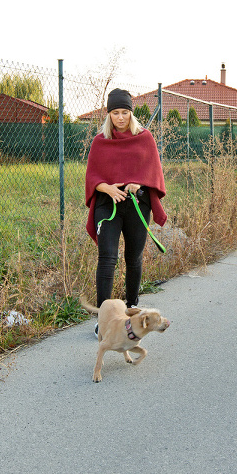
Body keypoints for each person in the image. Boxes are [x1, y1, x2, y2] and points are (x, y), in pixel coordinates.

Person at [85, 88, 167, 321]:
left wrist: (137, 183)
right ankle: (104, 318)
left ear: (131, 113)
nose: (120, 117)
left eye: (124, 112)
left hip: (137, 204)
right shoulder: (100, 142)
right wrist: (107, 188)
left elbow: (154, 173)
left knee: (133, 257)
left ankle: (131, 307)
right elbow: (92, 177)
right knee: (107, 257)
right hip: (107, 204)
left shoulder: (145, 138)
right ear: (108, 115)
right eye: (115, 113)